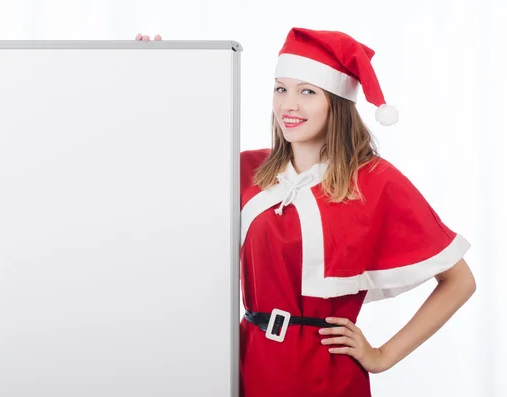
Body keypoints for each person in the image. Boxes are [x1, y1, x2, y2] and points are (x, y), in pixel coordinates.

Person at [136, 29, 476, 397]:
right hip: (245, 364)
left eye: (307, 91)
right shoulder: (245, 170)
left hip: (326, 375)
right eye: (281, 88)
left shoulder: (376, 181)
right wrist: (156, 77)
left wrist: (381, 356)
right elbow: (161, 181)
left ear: (337, 102)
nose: (288, 105)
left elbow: (459, 281)